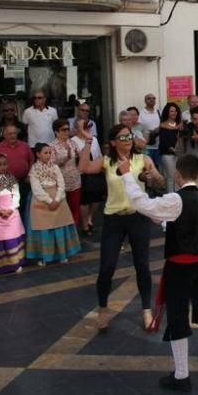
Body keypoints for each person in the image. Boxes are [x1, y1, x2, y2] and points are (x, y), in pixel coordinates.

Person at [120, 154, 198, 393]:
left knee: (177, 315)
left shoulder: (176, 199)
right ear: (197, 174)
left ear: (178, 174)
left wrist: (126, 174)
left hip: (180, 266)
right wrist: (166, 221)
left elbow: (142, 203)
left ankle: (181, 375)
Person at [78, 124, 165, 331]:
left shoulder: (143, 159)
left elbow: (160, 182)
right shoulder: (107, 162)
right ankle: (102, 308)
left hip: (138, 217)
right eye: (122, 137)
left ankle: (146, 310)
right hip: (113, 219)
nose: (127, 140)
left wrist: (154, 177)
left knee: (142, 266)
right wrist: (88, 141)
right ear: (114, 142)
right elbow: (83, 167)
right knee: (107, 267)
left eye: (129, 136)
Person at [27, 143, 81, 265]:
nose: (48, 155)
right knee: (43, 228)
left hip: (58, 198)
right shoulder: (34, 170)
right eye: (45, 153)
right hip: (42, 200)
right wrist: (49, 201)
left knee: (60, 225)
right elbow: (36, 189)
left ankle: (63, 254)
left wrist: (57, 199)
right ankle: (44, 257)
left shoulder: (55, 167)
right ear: (38, 154)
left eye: (49, 153)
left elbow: (61, 184)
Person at [0, 125, 34, 233]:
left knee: (24, 207)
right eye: (9, 133)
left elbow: (32, 161)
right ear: (3, 135)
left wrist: (29, 175)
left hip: (23, 181)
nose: (13, 135)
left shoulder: (24, 146)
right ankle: (12, 232)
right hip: (6, 183)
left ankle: (24, 230)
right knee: (10, 208)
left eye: (14, 133)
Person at [71, 119, 104, 236]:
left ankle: (90, 218)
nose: (87, 128)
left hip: (95, 170)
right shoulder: (73, 141)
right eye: (83, 126)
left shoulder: (94, 139)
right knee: (84, 200)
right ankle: (85, 224)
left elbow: (98, 154)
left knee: (96, 199)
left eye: (88, 126)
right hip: (82, 173)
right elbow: (80, 156)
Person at [49, 119, 82, 228]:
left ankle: (74, 233)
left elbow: (80, 157)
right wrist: (66, 157)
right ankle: (63, 234)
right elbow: (52, 164)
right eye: (64, 130)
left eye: (68, 129)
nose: (67, 132)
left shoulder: (73, 143)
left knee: (75, 208)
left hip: (75, 180)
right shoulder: (51, 146)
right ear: (56, 132)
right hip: (60, 182)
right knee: (62, 209)